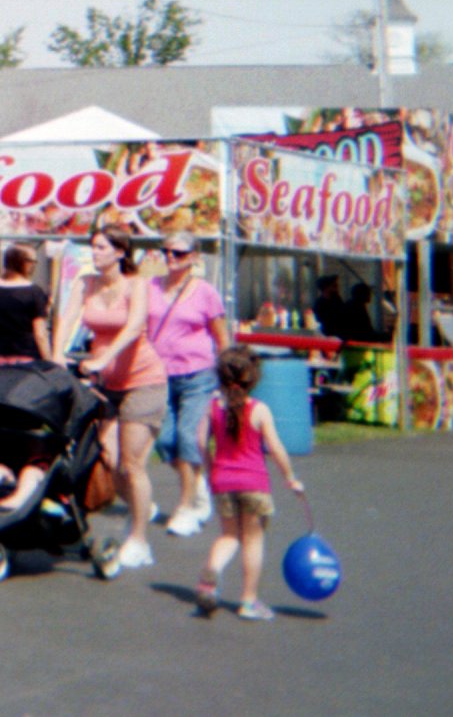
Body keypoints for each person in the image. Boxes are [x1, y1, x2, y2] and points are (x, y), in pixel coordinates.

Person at [52, 226, 166, 568]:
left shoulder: (136, 285)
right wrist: (57, 353)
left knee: (132, 464)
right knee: (112, 460)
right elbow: (67, 316)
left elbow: (133, 328)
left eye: (102, 247)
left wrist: (103, 357)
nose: (95, 252)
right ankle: (139, 506)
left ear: (120, 252)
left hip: (143, 381)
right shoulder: (86, 283)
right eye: (93, 246)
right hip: (105, 385)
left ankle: (139, 539)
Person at [194, 345, 303, 621]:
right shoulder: (259, 410)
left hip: (223, 481)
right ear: (253, 379)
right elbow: (276, 448)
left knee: (228, 536)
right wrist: (290, 478)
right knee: (253, 541)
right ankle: (248, 601)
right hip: (253, 484)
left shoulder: (213, 407)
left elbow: (199, 441)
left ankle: (210, 576)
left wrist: (210, 469)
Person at [148, 231, 230, 537]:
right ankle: (197, 487)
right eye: (166, 251)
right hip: (159, 374)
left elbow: (221, 338)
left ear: (194, 258)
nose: (171, 258)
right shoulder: (150, 287)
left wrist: (227, 380)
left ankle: (186, 508)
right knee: (164, 440)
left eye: (179, 253)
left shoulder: (205, 292)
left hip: (198, 374)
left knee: (187, 436)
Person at [0, 243, 49, 369]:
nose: (34, 265)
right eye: (33, 261)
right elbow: (40, 334)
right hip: (27, 360)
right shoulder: (34, 292)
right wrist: (48, 362)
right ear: (24, 263)